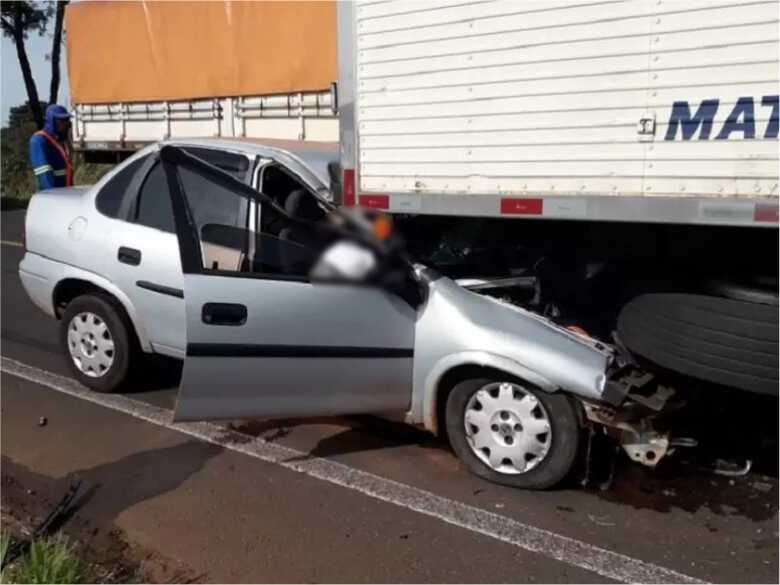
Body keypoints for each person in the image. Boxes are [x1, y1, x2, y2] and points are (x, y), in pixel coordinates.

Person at [29, 104, 73, 190]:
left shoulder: (59, 140)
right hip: (53, 197)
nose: (65, 124)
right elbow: (44, 175)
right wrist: (53, 197)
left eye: (66, 120)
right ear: (51, 121)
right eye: (60, 120)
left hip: (66, 194)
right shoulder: (38, 140)